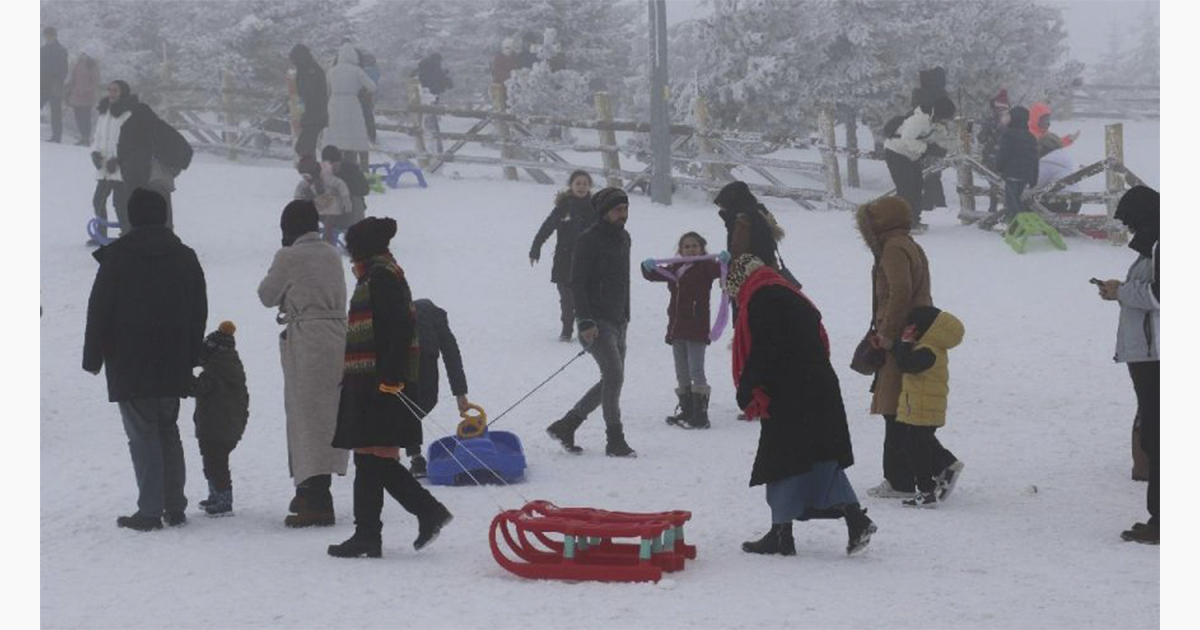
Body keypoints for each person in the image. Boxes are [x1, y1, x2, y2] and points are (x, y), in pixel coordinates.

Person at [726, 254, 876, 557]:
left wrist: (747, 387)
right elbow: (820, 339)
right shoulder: (792, 294)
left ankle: (781, 533)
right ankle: (855, 518)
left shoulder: (761, 298)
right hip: (819, 385)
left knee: (782, 460)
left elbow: (765, 348)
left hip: (787, 390)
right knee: (821, 457)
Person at [327, 217, 454, 559]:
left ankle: (421, 513)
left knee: (374, 458)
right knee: (368, 456)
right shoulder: (378, 273)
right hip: (371, 379)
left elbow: (398, 328)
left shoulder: (381, 276)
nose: (349, 258)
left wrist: (392, 376)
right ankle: (370, 534)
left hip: (380, 382)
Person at [83, 188, 208, 531]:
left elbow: (100, 309)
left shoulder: (118, 256)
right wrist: (193, 353)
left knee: (142, 433)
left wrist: (92, 357)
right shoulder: (185, 256)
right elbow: (200, 308)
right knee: (168, 428)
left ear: (131, 217)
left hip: (130, 359)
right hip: (174, 359)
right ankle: (175, 504)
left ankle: (150, 510)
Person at [257, 200, 350, 528]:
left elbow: (266, 294)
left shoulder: (288, 256)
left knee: (307, 418)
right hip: (338, 337)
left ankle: (316, 499)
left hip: (308, 341)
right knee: (328, 417)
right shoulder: (331, 253)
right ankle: (310, 489)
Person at [854, 196, 954, 499]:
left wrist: (887, 333)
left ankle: (906, 478)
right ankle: (928, 468)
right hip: (911, 331)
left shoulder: (894, 248)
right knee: (900, 407)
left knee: (895, 409)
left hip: (901, 335)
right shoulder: (908, 244)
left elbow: (900, 293)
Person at [545, 187, 637, 458]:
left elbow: (623, 280)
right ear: (604, 211)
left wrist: (625, 315)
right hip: (596, 320)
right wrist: (585, 321)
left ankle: (567, 425)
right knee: (614, 376)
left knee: (612, 379)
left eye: (626, 209)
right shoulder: (588, 240)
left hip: (619, 319)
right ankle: (615, 439)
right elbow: (577, 282)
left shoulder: (625, 238)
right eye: (618, 210)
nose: (623, 214)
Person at [1096, 186, 1159, 544]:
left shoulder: (1163, 244)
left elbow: (1161, 295)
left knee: (1159, 437)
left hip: (1157, 356)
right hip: (1149, 354)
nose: (1131, 231)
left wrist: (1121, 291)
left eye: (1132, 222)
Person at [640, 232, 722, 430]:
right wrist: (646, 267)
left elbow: (721, 269)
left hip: (696, 326)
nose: (690, 249)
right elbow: (654, 275)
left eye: (695, 246)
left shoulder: (706, 266)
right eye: (686, 246)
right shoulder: (676, 267)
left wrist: (725, 260)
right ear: (680, 250)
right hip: (676, 327)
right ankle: (687, 409)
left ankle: (701, 414)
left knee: (696, 369)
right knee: (681, 371)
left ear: (702, 248)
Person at [892, 306, 965, 508]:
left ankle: (926, 491)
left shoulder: (928, 352)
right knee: (917, 444)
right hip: (923, 408)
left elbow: (905, 363)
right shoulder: (929, 348)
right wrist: (895, 344)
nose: (908, 329)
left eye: (912, 326)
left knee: (917, 450)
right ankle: (945, 467)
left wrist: (904, 343)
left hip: (922, 410)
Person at [406, 298, 473, 479]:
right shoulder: (436, 316)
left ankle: (411, 452)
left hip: (404, 355)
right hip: (421, 355)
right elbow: (451, 353)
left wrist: (460, 391)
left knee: (408, 406)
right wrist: (460, 394)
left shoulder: (426, 313)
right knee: (421, 403)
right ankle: (412, 454)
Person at [191, 321, 249, 517]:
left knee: (216, 464)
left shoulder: (215, 371)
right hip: (228, 427)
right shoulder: (231, 366)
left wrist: (184, 378)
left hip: (216, 428)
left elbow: (198, 388)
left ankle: (223, 500)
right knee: (214, 462)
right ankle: (216, 495)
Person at [530, 170, 596, 341]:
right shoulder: (563, 207)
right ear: (571, 186)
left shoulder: (595, 207)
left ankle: (586, 330)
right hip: (564, 260)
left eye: (585, 184)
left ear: (589, 187)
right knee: (567, 299)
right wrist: (535, 248)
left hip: (588, 261)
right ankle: (567, 329)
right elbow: (547, 228)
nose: (581, 187)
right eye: (578, 183)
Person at [882, 96, 956, 232]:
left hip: (912, 156)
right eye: (945, 117)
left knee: (917, 186)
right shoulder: (918, 120)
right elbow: (907, 139)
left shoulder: (937, 124)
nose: (946, 121)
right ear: (938, 113)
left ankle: (914, 220)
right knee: (906, 188)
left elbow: (942, 140)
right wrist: (927, 149)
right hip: (896, 152)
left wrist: (946, 148)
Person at [118, 101, 193, 231]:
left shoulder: (130, 130)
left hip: (138, 179)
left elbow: (123, 155)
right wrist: (174, 167)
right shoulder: (160, 127)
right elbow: (185, 150)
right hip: (159, 178)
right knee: (163, 207)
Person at [90, 80, 135, 241]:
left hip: (120, 167)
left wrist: (116, 159)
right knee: (98, 200)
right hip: (103, 166)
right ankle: (101, 233)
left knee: (120, 203)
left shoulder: (128, 113)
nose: (111, 93)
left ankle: (127, 233)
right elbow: (98, 136)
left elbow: (128, 140)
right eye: (109, 90)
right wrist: (94, 152)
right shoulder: (103, 112)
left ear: (122, 92)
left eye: (115, 90)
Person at [324, 43, 376, 171]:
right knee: (355, 137)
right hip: (352, 103)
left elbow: (326, 89)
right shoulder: (357, 71)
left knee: (335, 137)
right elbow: (373, 87)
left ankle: (333, 168)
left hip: (334, 104)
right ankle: (361, 169)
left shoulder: (332, 71)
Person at [994, 105, 1039, 225]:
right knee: (1018, 200)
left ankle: (1016, 226)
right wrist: (1034, 178)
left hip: (1011, 174)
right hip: (1025, 176)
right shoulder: (1031, 137)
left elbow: (1003, 154)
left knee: (1011, 202)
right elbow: (1035, 159)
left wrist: (998, 166)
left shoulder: (1008, 135)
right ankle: (1020, 224)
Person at [295, 154, 352, 247]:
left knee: (330, 219)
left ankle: (327, 242)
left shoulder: (328, 179)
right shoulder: (305, 184)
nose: (305, 179)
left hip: (333, 208)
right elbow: (298, 195)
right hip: (318, 208)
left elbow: (342, 188)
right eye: (303, 176)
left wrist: (347, 205)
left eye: (307, 176)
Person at [289, 44, 329, 159]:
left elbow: (307, 93)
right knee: (308, 147)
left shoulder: (309, 70)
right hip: (314, 114)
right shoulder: (309, 68)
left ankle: (312, 172)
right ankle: (311, 172)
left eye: (293, 59)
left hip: (313, 114)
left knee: (302, 147)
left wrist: (300, 111)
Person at [977, 89, 1011, 215]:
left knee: (1006, 184)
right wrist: (989, 129)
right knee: (994, 183)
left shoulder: (1012, 122)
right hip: (992, 157)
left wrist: (1001, 128)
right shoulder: (990, 121)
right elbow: (981, 139)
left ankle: (1006, 209)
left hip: (1006, 157)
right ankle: (993, 208)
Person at [321, 144, 369, 227]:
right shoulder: (322, 173)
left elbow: (364, 189)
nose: (332, 166)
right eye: (328, 164)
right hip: (330, 211)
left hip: (350, 210)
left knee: (356, 201)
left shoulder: (352, 170)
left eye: (334, 163)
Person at [1034, 133, 1082, 214]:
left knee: (1027, 203)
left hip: (1058, 202)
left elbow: (1036, 184)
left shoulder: (1047, 162)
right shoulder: (1063, 160)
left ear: (1043, 147)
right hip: (1075, 202)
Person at [64, 51, 101, 145]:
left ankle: (86, 138)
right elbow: (73, 77)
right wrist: (69, 87)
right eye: (82, 54)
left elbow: (95, 82)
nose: (83, 56)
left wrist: (85, 90)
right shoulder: (77, 64)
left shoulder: (93, 66)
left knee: (86, 118)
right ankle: (82, 137)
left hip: (87, 97)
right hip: (76, 95)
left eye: (85, 54)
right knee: (78, 117)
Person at [41, 27, 69, 143]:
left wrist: (58, 82)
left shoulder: (61, 50)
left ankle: (57, 136)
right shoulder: (42, 50)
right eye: (46, 35)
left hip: (54, 85)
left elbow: (64, 69)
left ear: (54, 36)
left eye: (49, 35)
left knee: (55, 112)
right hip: (41, 84)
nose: (47, 37)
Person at [357, 50, 379, 145]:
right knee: (368, 116)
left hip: (361, 95)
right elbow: (374, 84)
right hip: (368, 95)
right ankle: (371, 136)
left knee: (363, 116)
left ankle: (365, 136)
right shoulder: (375, 70)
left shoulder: (363, 70)